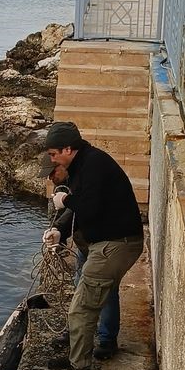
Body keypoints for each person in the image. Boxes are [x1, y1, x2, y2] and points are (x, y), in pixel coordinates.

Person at [42, 121, 143, 370]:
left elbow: (89, 208)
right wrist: (58, 231)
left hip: (116, 244)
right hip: (102, 243)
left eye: (53, 155)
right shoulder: (81, 166)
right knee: (90, 294)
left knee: (81, 309)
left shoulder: (94, 166)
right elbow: (79, 210)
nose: (51, 161)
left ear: (67, 149)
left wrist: (66, 202)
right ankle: (82, 352)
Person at [39, 153, 121, 359]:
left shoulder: (84, 179)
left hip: (105, 243)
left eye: (52, 173)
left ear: (62, 164)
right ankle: (79, 332)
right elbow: (70, 214)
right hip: (87, 244)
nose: (50, 179)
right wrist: (58, 232)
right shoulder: (67, 184)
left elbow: (83, 208)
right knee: (80, 288)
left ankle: (106, 340)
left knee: (107, 291)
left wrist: (66, 204)